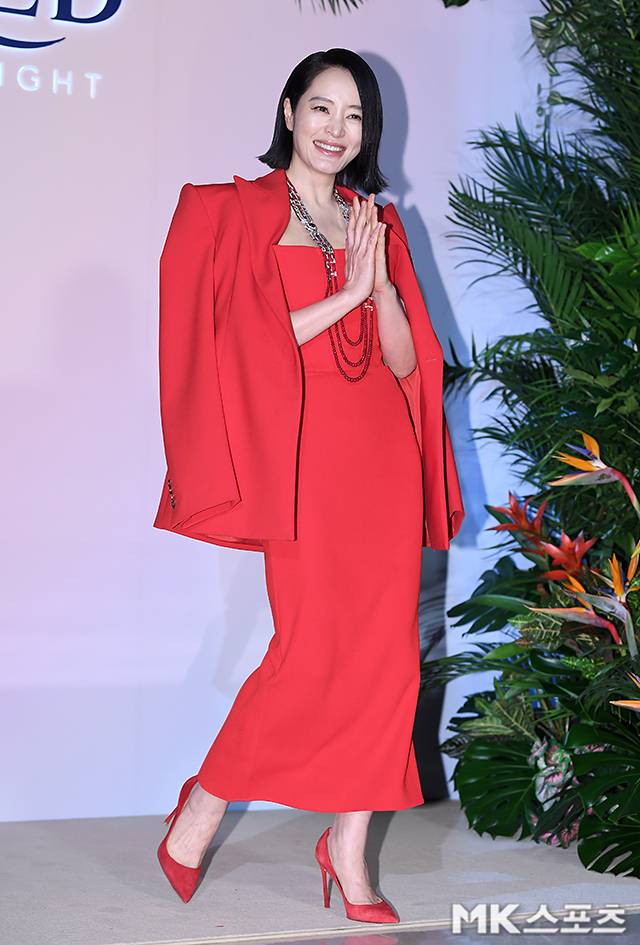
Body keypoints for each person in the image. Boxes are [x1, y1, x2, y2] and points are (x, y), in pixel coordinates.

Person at [154, 48, 464, 923]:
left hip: (381, 454)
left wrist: (380, 288)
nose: (337, 129)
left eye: (355, 115)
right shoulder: (233, 211)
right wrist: (348, 290)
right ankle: (205, 802)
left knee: (388, 656)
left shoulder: (376, 220)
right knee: (306, 650)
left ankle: (349, 851)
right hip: (301, 456)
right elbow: (238, 344)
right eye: (321, 108)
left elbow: (404, 361)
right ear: (289, 112)